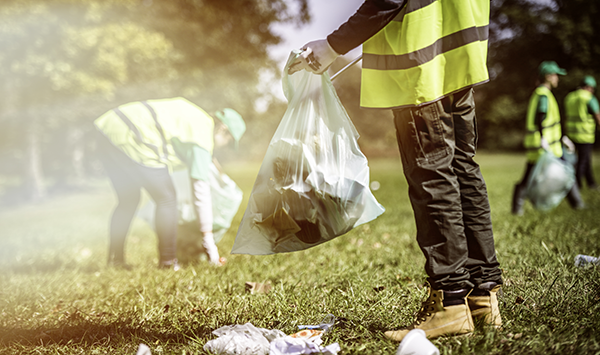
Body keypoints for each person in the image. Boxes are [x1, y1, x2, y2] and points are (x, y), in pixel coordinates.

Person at [289, 0, 502, 341]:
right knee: (463, 171)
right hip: (459, 55)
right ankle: (482, 296)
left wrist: (331, 47)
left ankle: (450, 303)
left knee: (434, 176)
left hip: (417, 63)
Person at [94, 97, 245, 270]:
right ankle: (168, 263)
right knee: (167, 199)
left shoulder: (197, 119)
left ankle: (115, 261)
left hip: (108, 128)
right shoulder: (202, 137)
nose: (224, 146)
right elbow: (200, 192)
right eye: (228, 142)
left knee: (129, 199)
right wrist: (208, 239)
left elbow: (204, 158)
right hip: (135, 134)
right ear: (223, 129)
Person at [511, 61, 584, 215]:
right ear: (548, 76)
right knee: (533, 176)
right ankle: (517, 208)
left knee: (566, 171)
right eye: (556, 75)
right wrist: (544, 138)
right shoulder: (543, 94)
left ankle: (577, 204)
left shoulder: (543, 93)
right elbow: (541, 116)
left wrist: (563, 137)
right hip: (544, 145)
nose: (557, 78)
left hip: (551, 144)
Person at [564, 75, 600, 190]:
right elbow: (597, 115)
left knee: (584, 159)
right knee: (582, 161)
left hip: (571, 134)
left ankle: (591, 183)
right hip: (585, 135)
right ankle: (577, 185)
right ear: (589, 87)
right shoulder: (589, 98)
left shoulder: (570, 97)